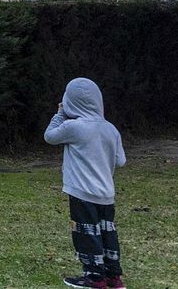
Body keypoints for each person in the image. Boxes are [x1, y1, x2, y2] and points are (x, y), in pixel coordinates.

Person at [46, 77, 127, 289]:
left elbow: (50, 136)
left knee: (86, 232)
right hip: (106, 193)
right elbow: (120, 160)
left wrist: (60, 113)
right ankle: (113, 276)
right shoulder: (110, 129)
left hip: (82, 191)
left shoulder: (74, 127)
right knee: (107, 232)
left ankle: (94, 277)